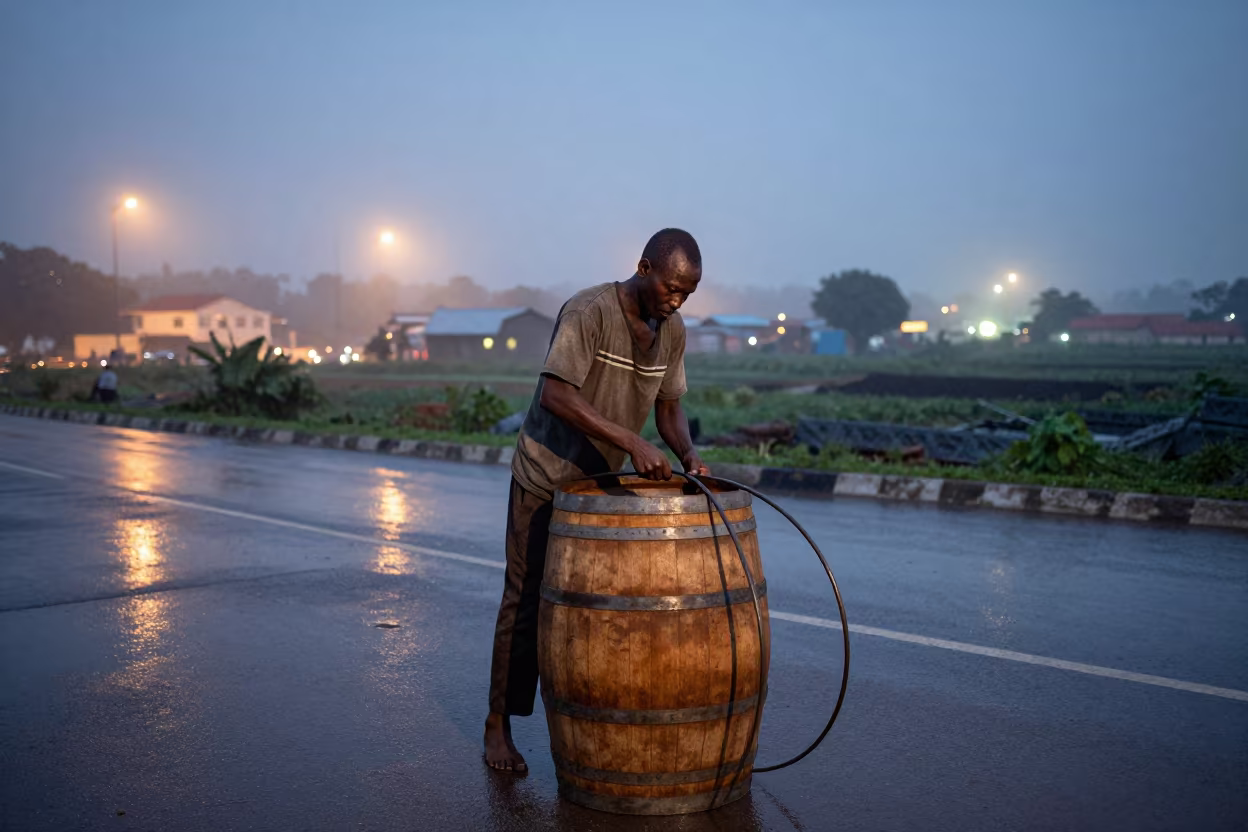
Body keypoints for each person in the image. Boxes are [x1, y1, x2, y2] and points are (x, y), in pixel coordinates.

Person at [484, 228, 710, 772]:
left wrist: (687, 453)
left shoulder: (672, 331)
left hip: (597, 492)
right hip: (546, 475)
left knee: (600, 612)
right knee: (527, 600)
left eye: (688, 294)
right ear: (644, 266)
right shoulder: (589, 311)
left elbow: (669, 407)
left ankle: (589, 726)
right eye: (672, 288)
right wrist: (632, 442)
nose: (676, 301)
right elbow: (555, 394)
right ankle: (498, 725)